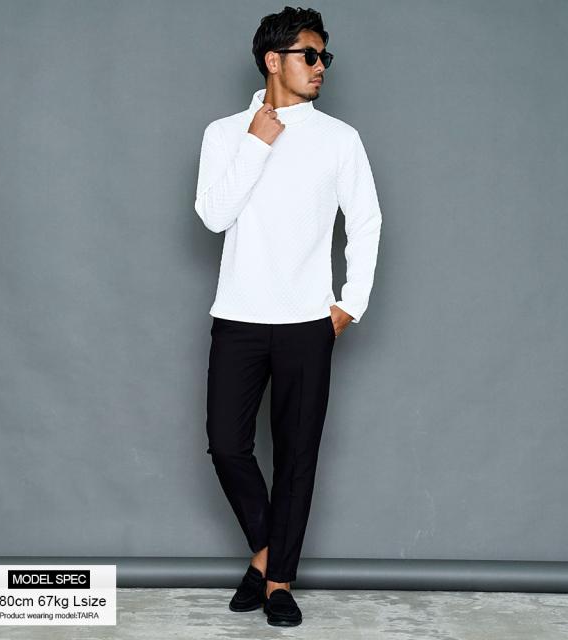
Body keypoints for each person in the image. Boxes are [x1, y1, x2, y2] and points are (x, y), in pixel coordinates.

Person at [194, 6, 382, 627]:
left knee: (297, 456)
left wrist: (350, 303)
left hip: (308, 322)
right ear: (274, 61)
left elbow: (366, 221)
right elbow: (213, 217)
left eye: (325, 56)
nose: (321, 66)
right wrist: (257, 141)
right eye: (310, 55)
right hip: (238, 316)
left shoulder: (339, 138)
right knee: (227, 445)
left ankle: (277, 583)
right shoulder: (225, 133)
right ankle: (266, 554)